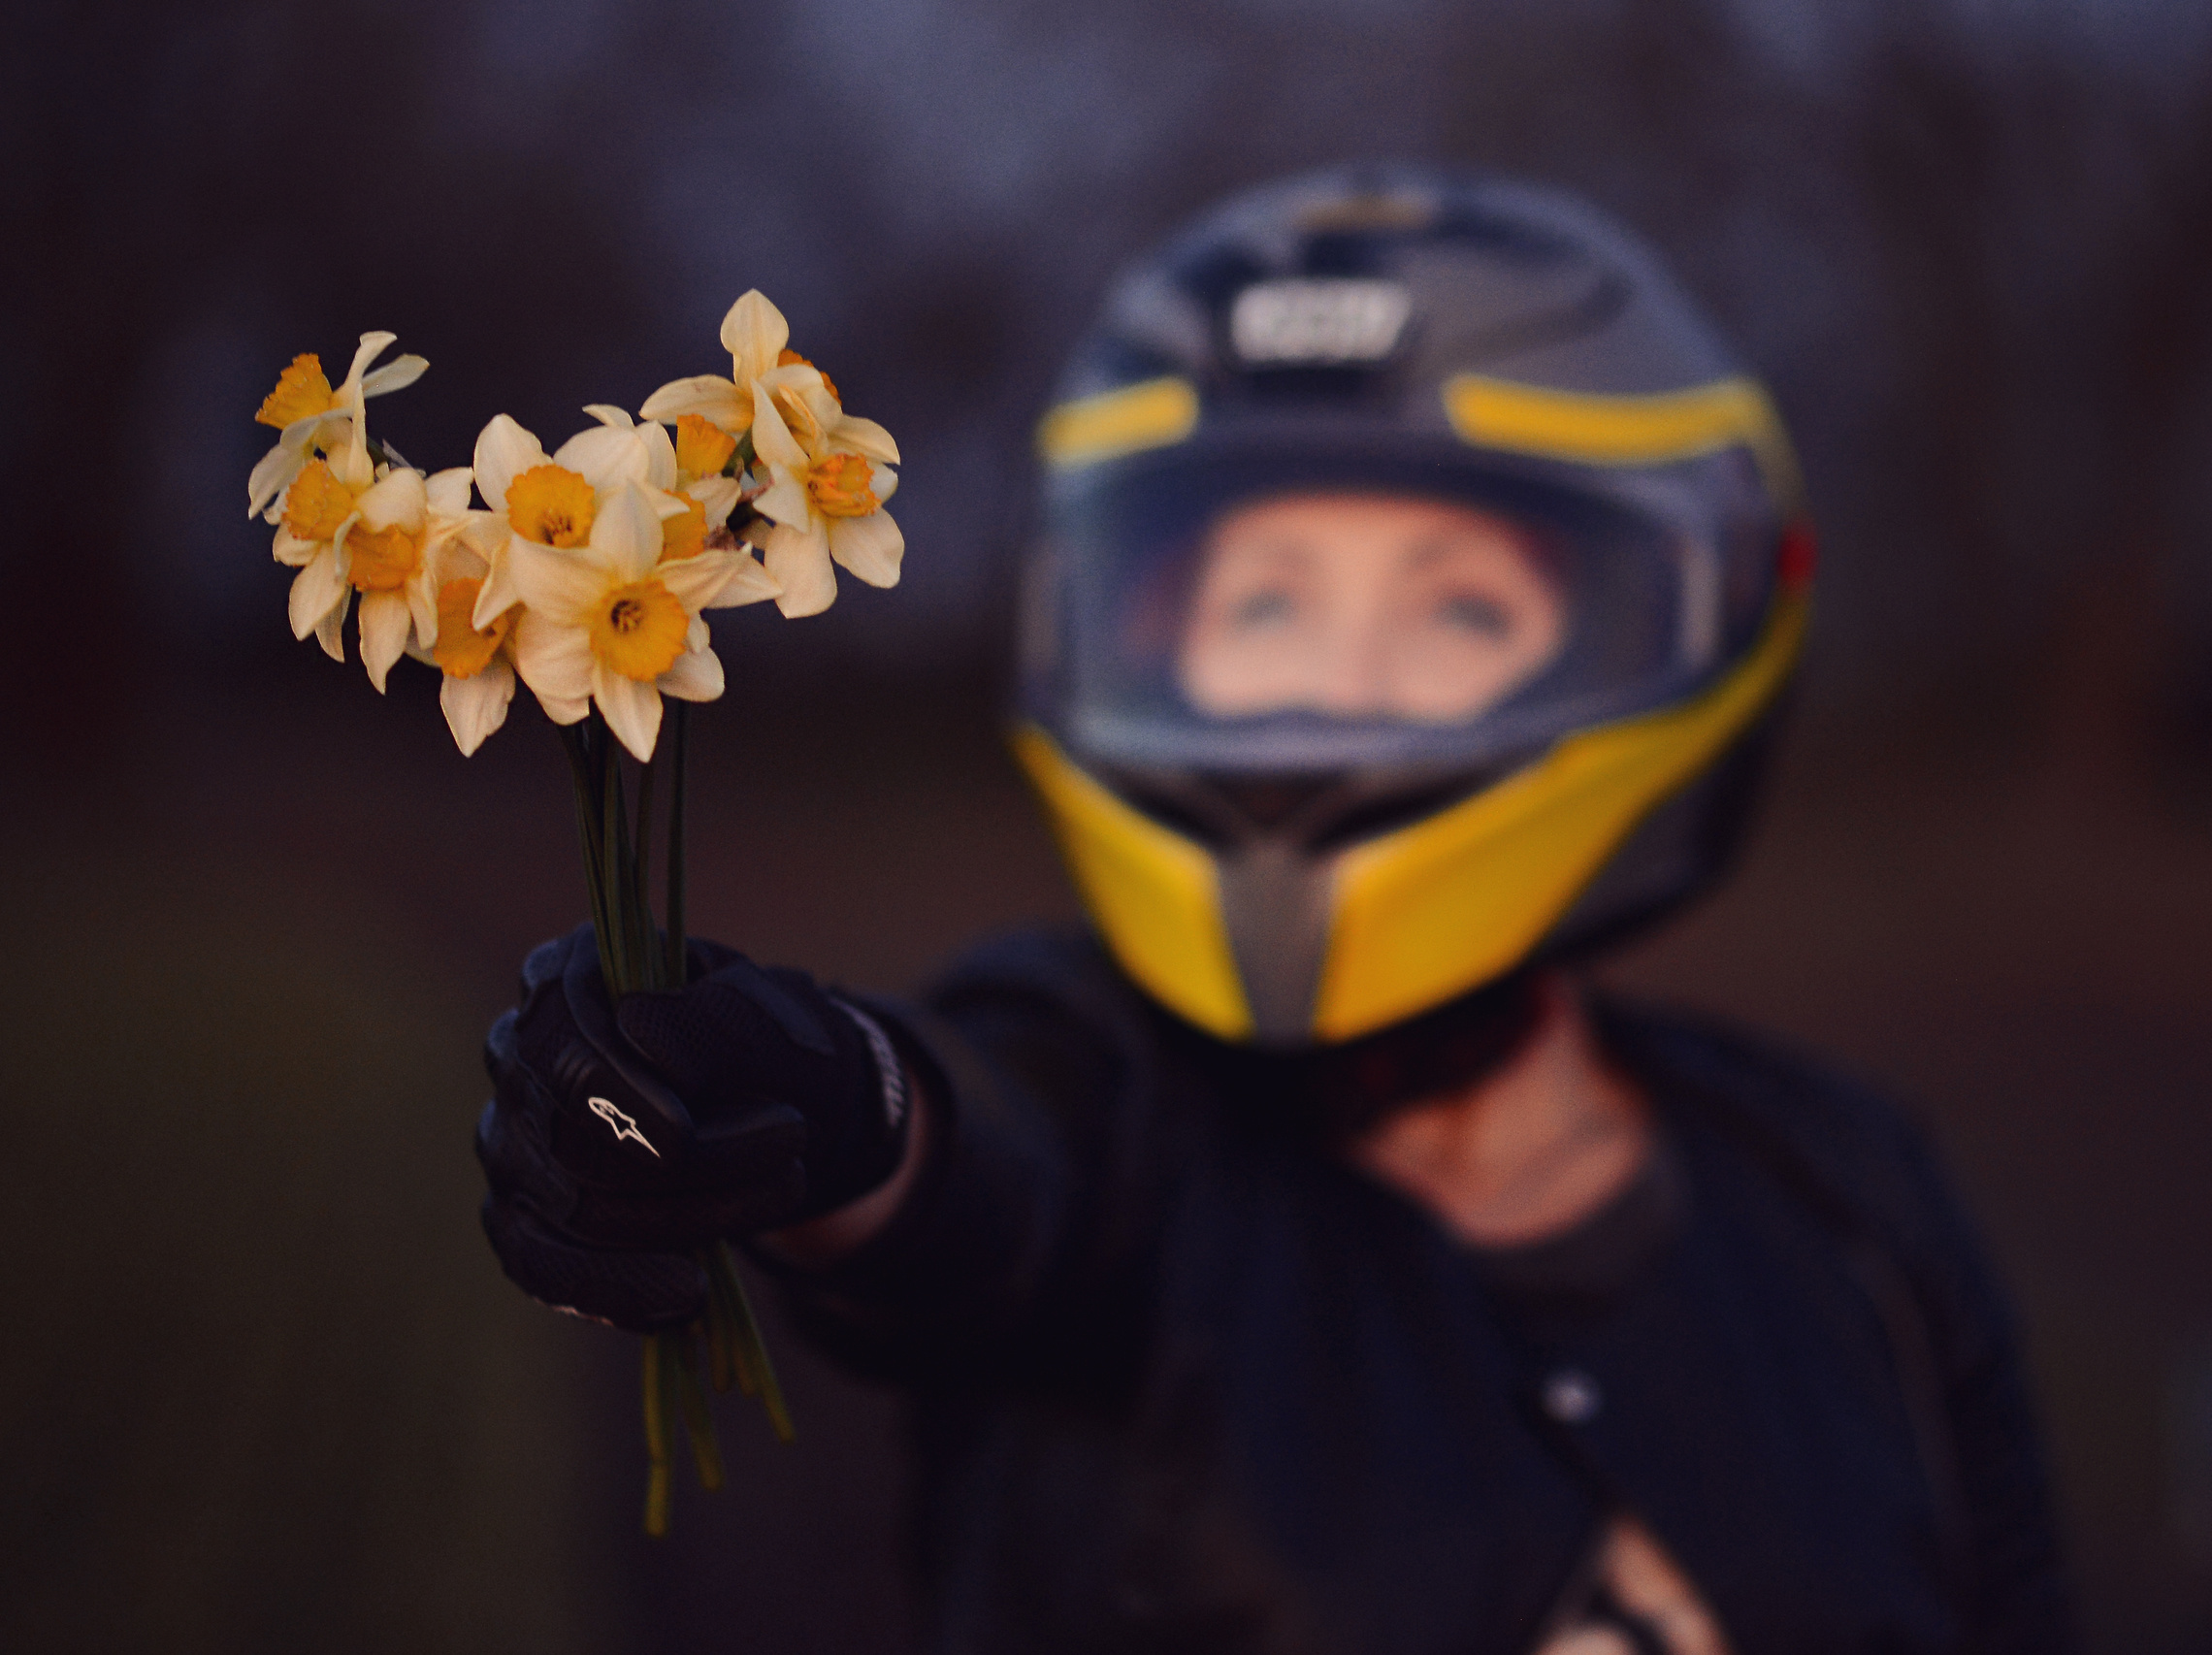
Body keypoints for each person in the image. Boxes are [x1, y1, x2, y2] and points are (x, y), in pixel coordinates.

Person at [474, 165, 2072, 1654]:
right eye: (1262, 601)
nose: (1335, 681)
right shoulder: (1123, 1115)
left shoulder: (1851, 1195)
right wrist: (810, 1099)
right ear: (1130, 629)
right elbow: (978, 1160)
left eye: (1457, 606)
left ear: (1647, 618)